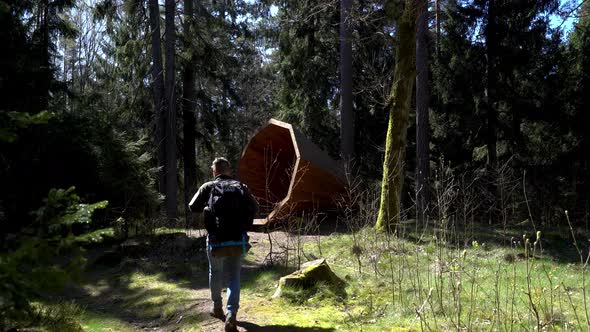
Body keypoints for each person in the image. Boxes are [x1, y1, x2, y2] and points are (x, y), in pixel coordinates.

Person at [189, 157, 258, 332]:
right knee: (234, 276)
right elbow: (255, 207)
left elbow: (192, 206)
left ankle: (216, 307)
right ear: (228, 170)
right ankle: (231, 314)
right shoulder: (241, 187)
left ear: (214, 172)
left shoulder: (208, 187)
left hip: (216, 240)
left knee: (215, 271)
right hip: (237, 239)